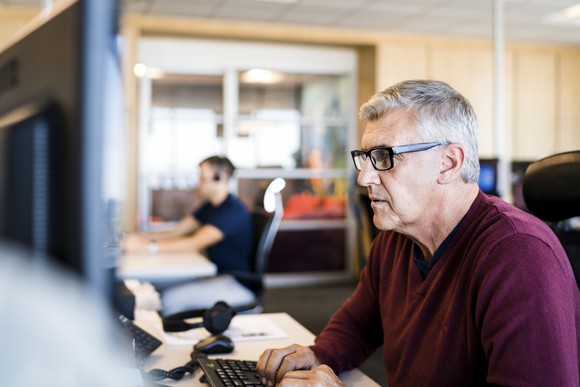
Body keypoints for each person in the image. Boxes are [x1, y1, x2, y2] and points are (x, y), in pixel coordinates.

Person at [257, 80, 580, 386]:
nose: (364, 177)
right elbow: (360, 323)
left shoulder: (519, 255)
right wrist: (318, 354)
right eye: (365, 158)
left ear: (448, 163)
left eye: (384, 157)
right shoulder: (395, 238)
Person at [125, 155, 253, 274]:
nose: (198, 183)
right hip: (213, 272)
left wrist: (145, 246)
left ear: (220, 177)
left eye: (202, 178)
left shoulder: (232, 211)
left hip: (232, 279)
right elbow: (177, 231)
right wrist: (139, 238)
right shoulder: (209, 207)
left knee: (168, 296)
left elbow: (193, 244)